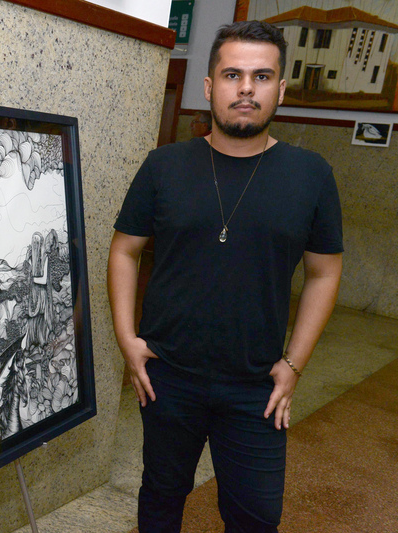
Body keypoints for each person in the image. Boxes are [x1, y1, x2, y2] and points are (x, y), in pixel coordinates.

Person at [107, 21, 343, 533]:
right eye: (233, 75)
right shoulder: (163, 166)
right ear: (210, 86)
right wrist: (127, 339)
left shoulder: (311, 174)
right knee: (161, 496)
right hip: (167, 376)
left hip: (257, 384)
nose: (246, 88)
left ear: (281, 89)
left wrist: (293, 365)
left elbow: (325, 272)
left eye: (262, 76)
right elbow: (125, 250)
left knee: (256, 516)